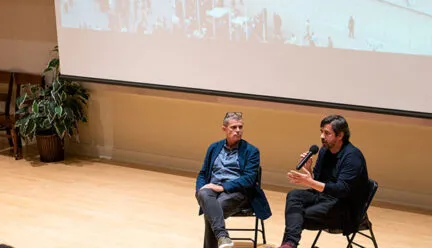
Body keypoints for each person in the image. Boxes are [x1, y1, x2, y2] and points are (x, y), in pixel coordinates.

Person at [278, 115, 369, 248]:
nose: (322, 136)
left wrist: (309, 182)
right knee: (294, 196)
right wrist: (309, 170)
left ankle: (289, 244)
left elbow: (341, 190)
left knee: (298, 216)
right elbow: (319, 181)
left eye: (327, 133)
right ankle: (289, 244)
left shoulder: (352, 157)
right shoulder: (324, 151)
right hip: (325, 197)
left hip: (345, 206)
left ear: (340, 135)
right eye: (321, 131)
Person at [195, 112, 272, 248]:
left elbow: (249, 180)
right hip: (213, 188)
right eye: (233, 127)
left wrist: (223, 187)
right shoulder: (214, 148)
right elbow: (202, 174)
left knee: (212, 210)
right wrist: (200, 190)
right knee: (203, 194)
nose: (238, 131)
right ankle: (222, 236)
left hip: (238, 192)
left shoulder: (251, 151)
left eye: (240, 127)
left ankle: (221, 236)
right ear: (224, 129)